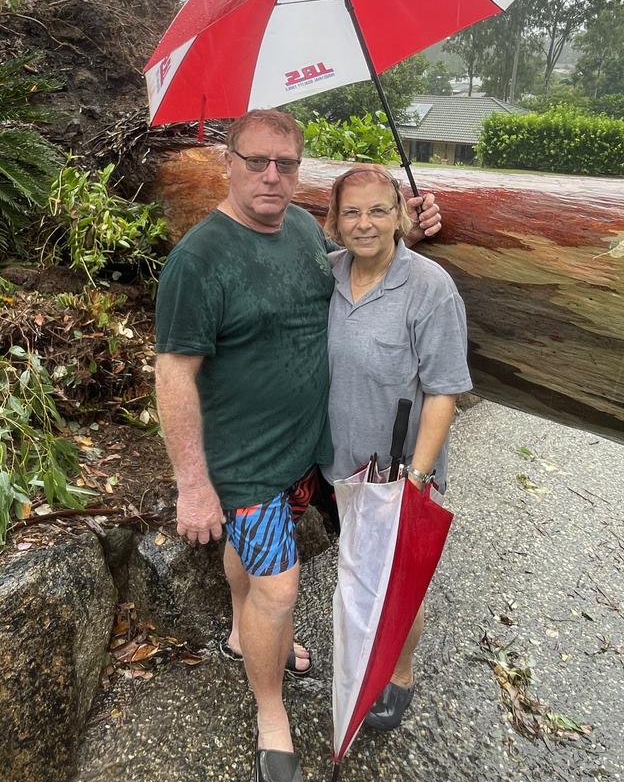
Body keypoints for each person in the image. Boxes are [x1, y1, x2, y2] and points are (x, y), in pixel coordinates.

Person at [154, 109, 441, 782]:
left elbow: (361, 270)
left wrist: (415, 226)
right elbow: (173, 372)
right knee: (279, 593)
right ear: (228, 163)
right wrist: (194, 485)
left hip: (305, 454)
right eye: (257, 161)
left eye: (286, 163)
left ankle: (237, 632)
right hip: (244, 467)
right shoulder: (200, 259)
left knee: (257, 583)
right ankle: (271, 712)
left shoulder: (304, 237)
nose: (272, 176)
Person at [320, 164, 472, 732]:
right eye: (351, 212)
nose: (365, 224)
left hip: (400, 471)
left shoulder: (429, 288)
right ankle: (363, 660)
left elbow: (443, 392)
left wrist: (418, 477)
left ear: (401, 216)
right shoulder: (327, 274)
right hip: (341, 465)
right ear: (333, 222)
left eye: (379, 210)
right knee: (360, 576)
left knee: (397, 580)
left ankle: (399, 676)